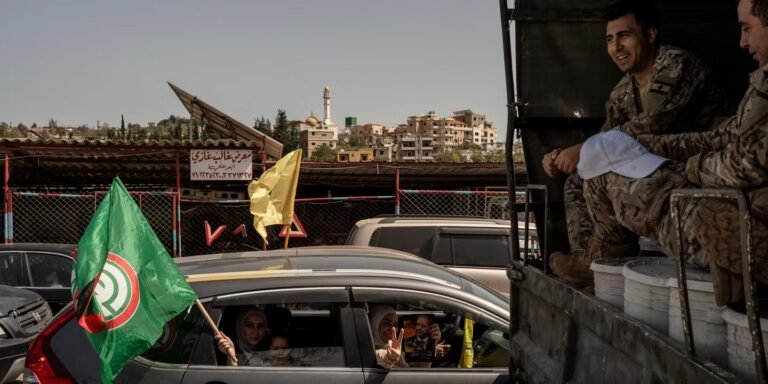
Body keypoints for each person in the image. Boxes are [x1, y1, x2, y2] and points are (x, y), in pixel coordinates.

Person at [545, 0, 731, 281]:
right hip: (655, 164)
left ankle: (605, 258)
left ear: (651, 35)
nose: (615, 47)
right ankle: (591, 260)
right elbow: (605, 138)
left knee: (606, 173)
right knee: (578, 180)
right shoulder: (622, 92)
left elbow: (653, 122)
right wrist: (563, 156)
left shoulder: (674, 65)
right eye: (609, 39)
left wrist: (582, 149)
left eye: (624, 36)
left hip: (703, 161)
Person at [369, 304, 407, 369]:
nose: (393, 328)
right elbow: (381, 356)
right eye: (387, 323)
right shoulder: (369, 352)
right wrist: (390, 358)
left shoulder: (397, 350)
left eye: (395, 325)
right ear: (374, 325)